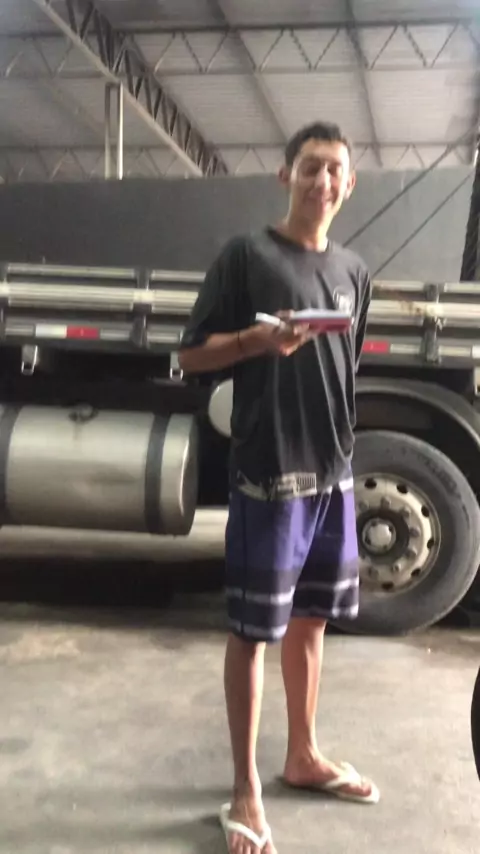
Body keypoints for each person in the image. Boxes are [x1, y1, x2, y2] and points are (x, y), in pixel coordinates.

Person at [178, 121, 379, 854]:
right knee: (252, 633)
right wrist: (255, 341)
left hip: (332, 476)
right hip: (269, 475)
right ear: (285, 175)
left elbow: (346, 369)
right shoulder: (247, 256)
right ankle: (245, 789)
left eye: (335, 171)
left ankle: (302, 754)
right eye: (311, 167)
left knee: (312, 622)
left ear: (349, 185)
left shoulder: (354, 270)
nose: (323, 181)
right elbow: (192, 355)